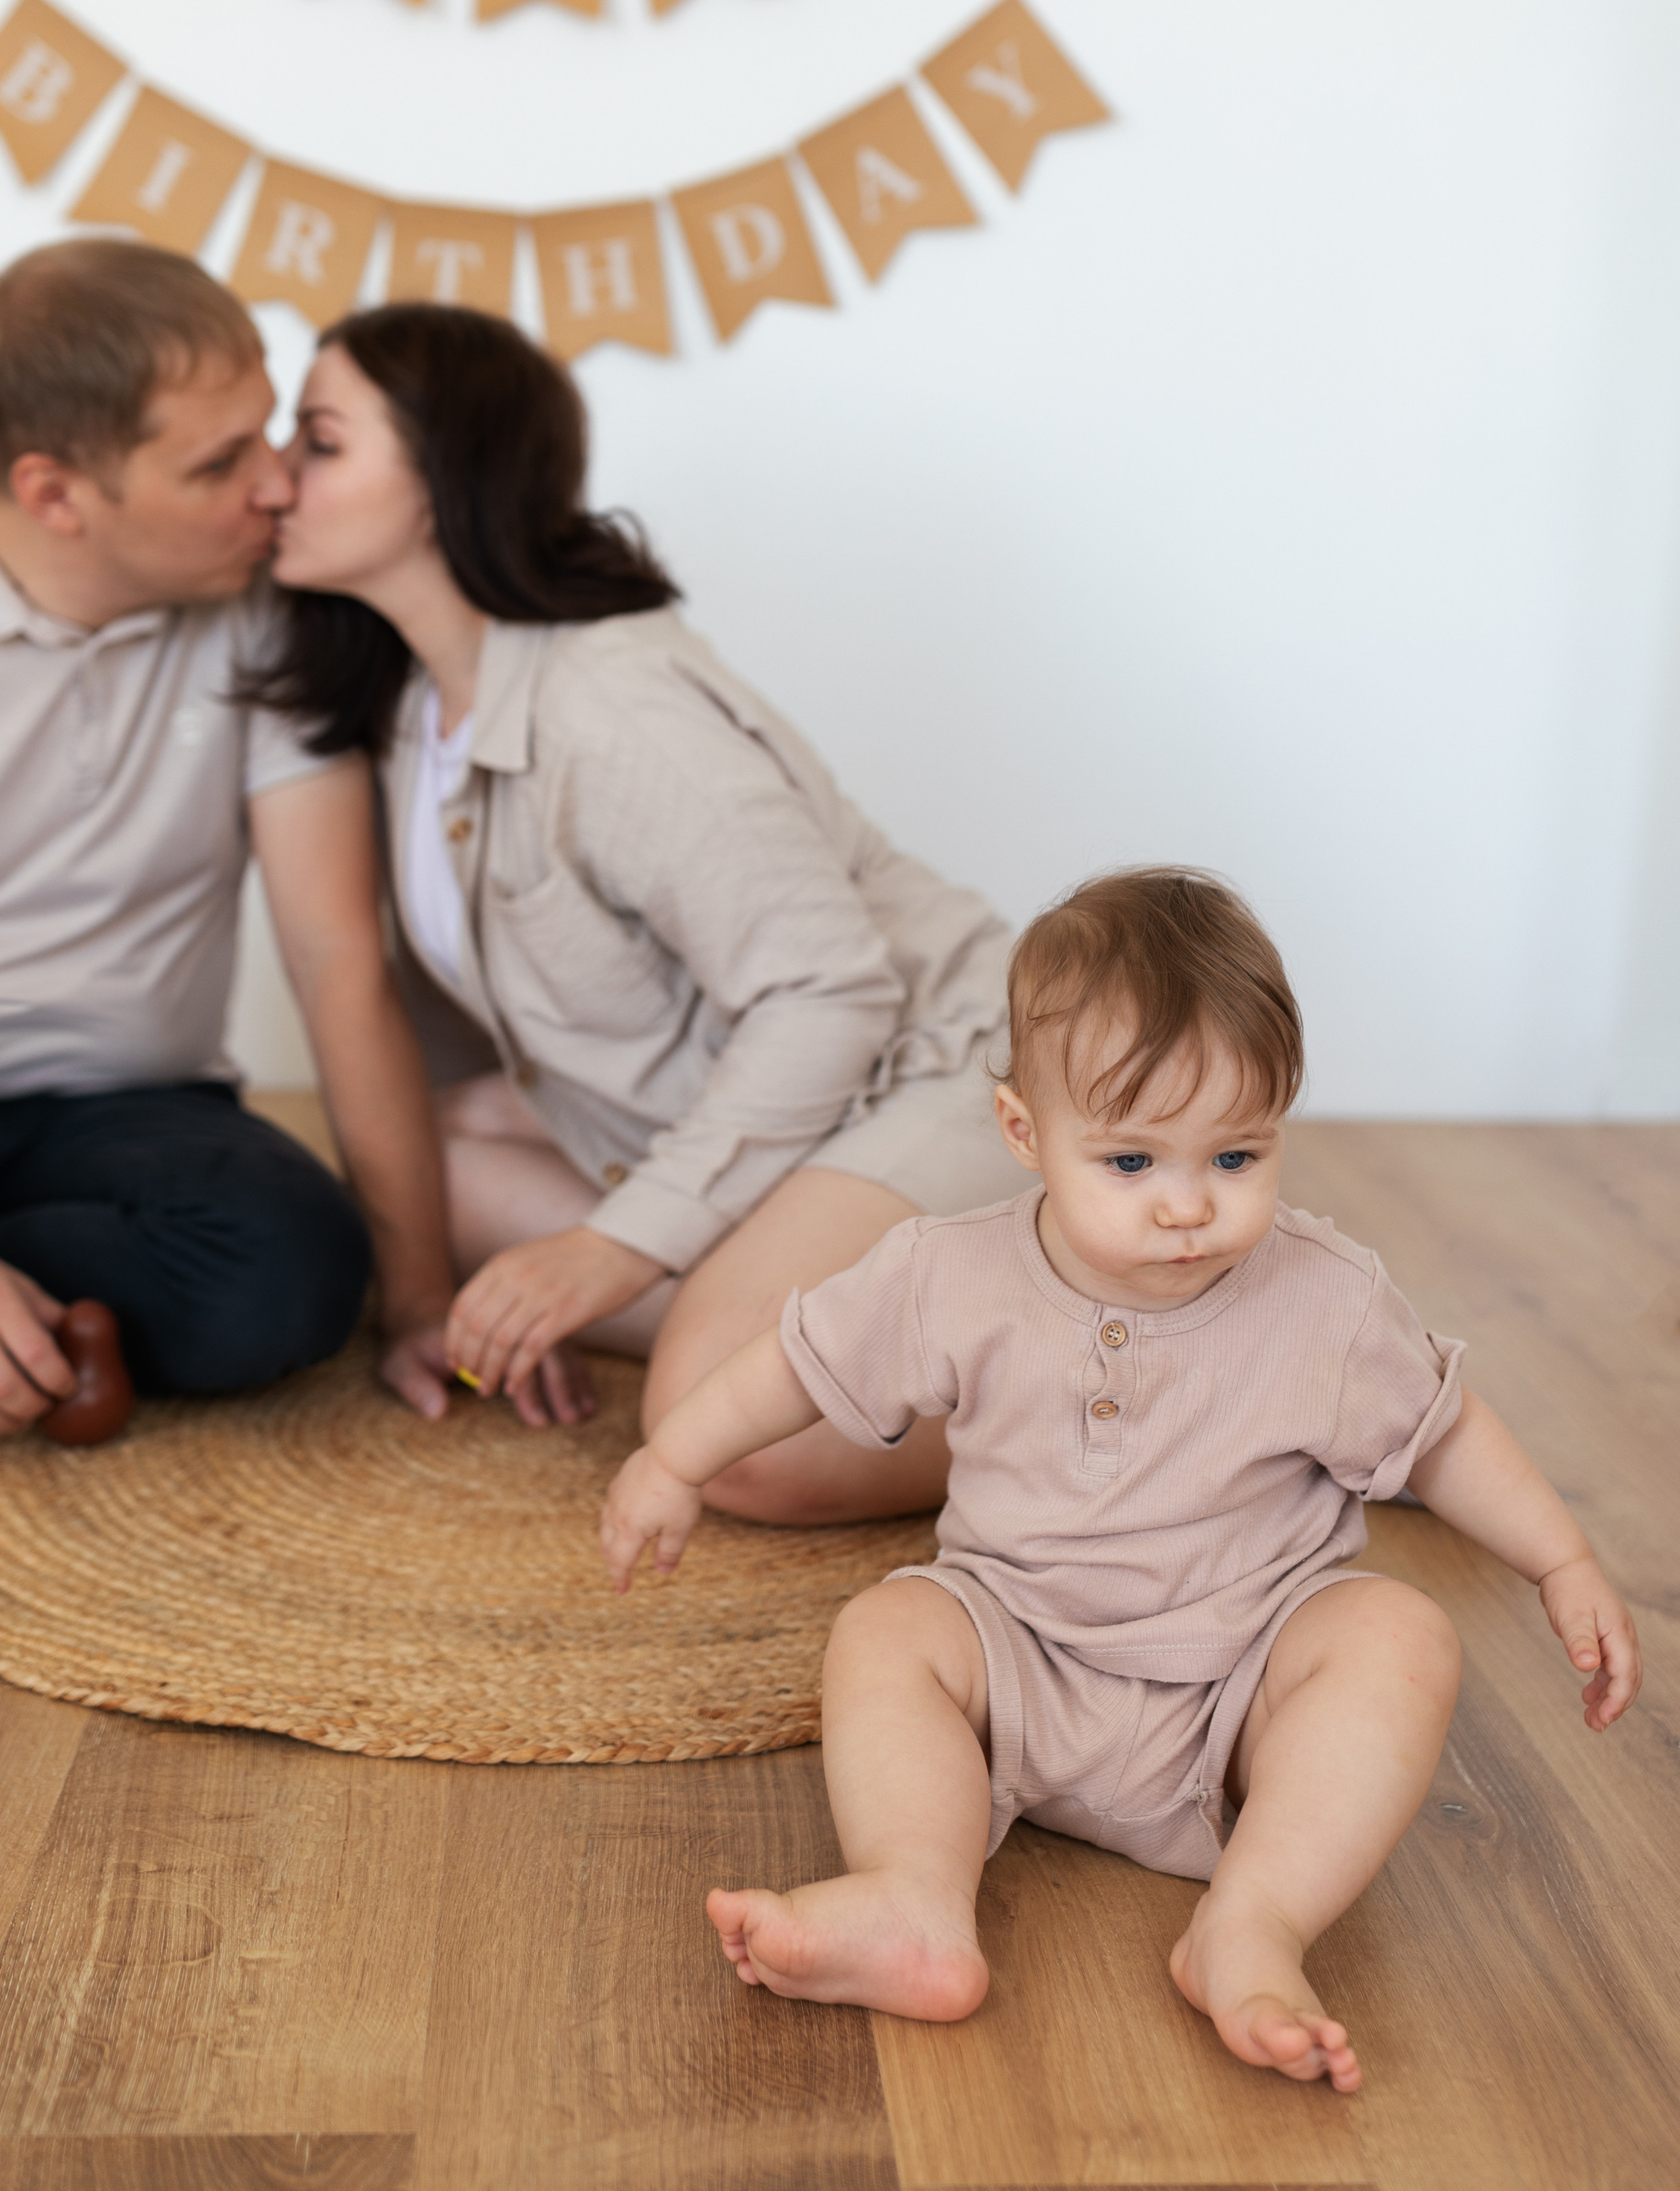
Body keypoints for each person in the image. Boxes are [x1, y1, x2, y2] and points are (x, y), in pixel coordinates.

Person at [600, 868, 1642, 2087]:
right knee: (888, 1629)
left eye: (1238, 1154)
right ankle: (915, 1900)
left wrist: (1560, 1560)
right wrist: (675, 1458)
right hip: (1019, 1654)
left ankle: (1252, 1921)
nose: (1191, 1206)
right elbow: (796, 1359)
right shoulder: (950, 1273)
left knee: (1399, 1638)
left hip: (1239, 1688)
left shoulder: (1324, 1297)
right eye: (1134, 1162)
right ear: (1024, 1135)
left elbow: (1447, 1432)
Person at [255, 301, 1033, 1512]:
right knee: (415, 1170)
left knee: (725, 1429)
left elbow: (831, 993)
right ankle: (882, 1299)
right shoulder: (415, 711)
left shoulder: (608, 709)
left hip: (941, 1069)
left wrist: (609, 1250)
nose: (272, 478)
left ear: (441, 479)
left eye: (317, 441)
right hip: (778, 1110)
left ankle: (1155, 1372)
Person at [0, 240, 455, 1440]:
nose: (280, 486)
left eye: (271, 432)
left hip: (121, 1105)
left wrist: (416, 1305)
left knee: (287, 1276)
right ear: (54, 494)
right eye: (220, 462)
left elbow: (336, 958)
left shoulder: (268, 599)